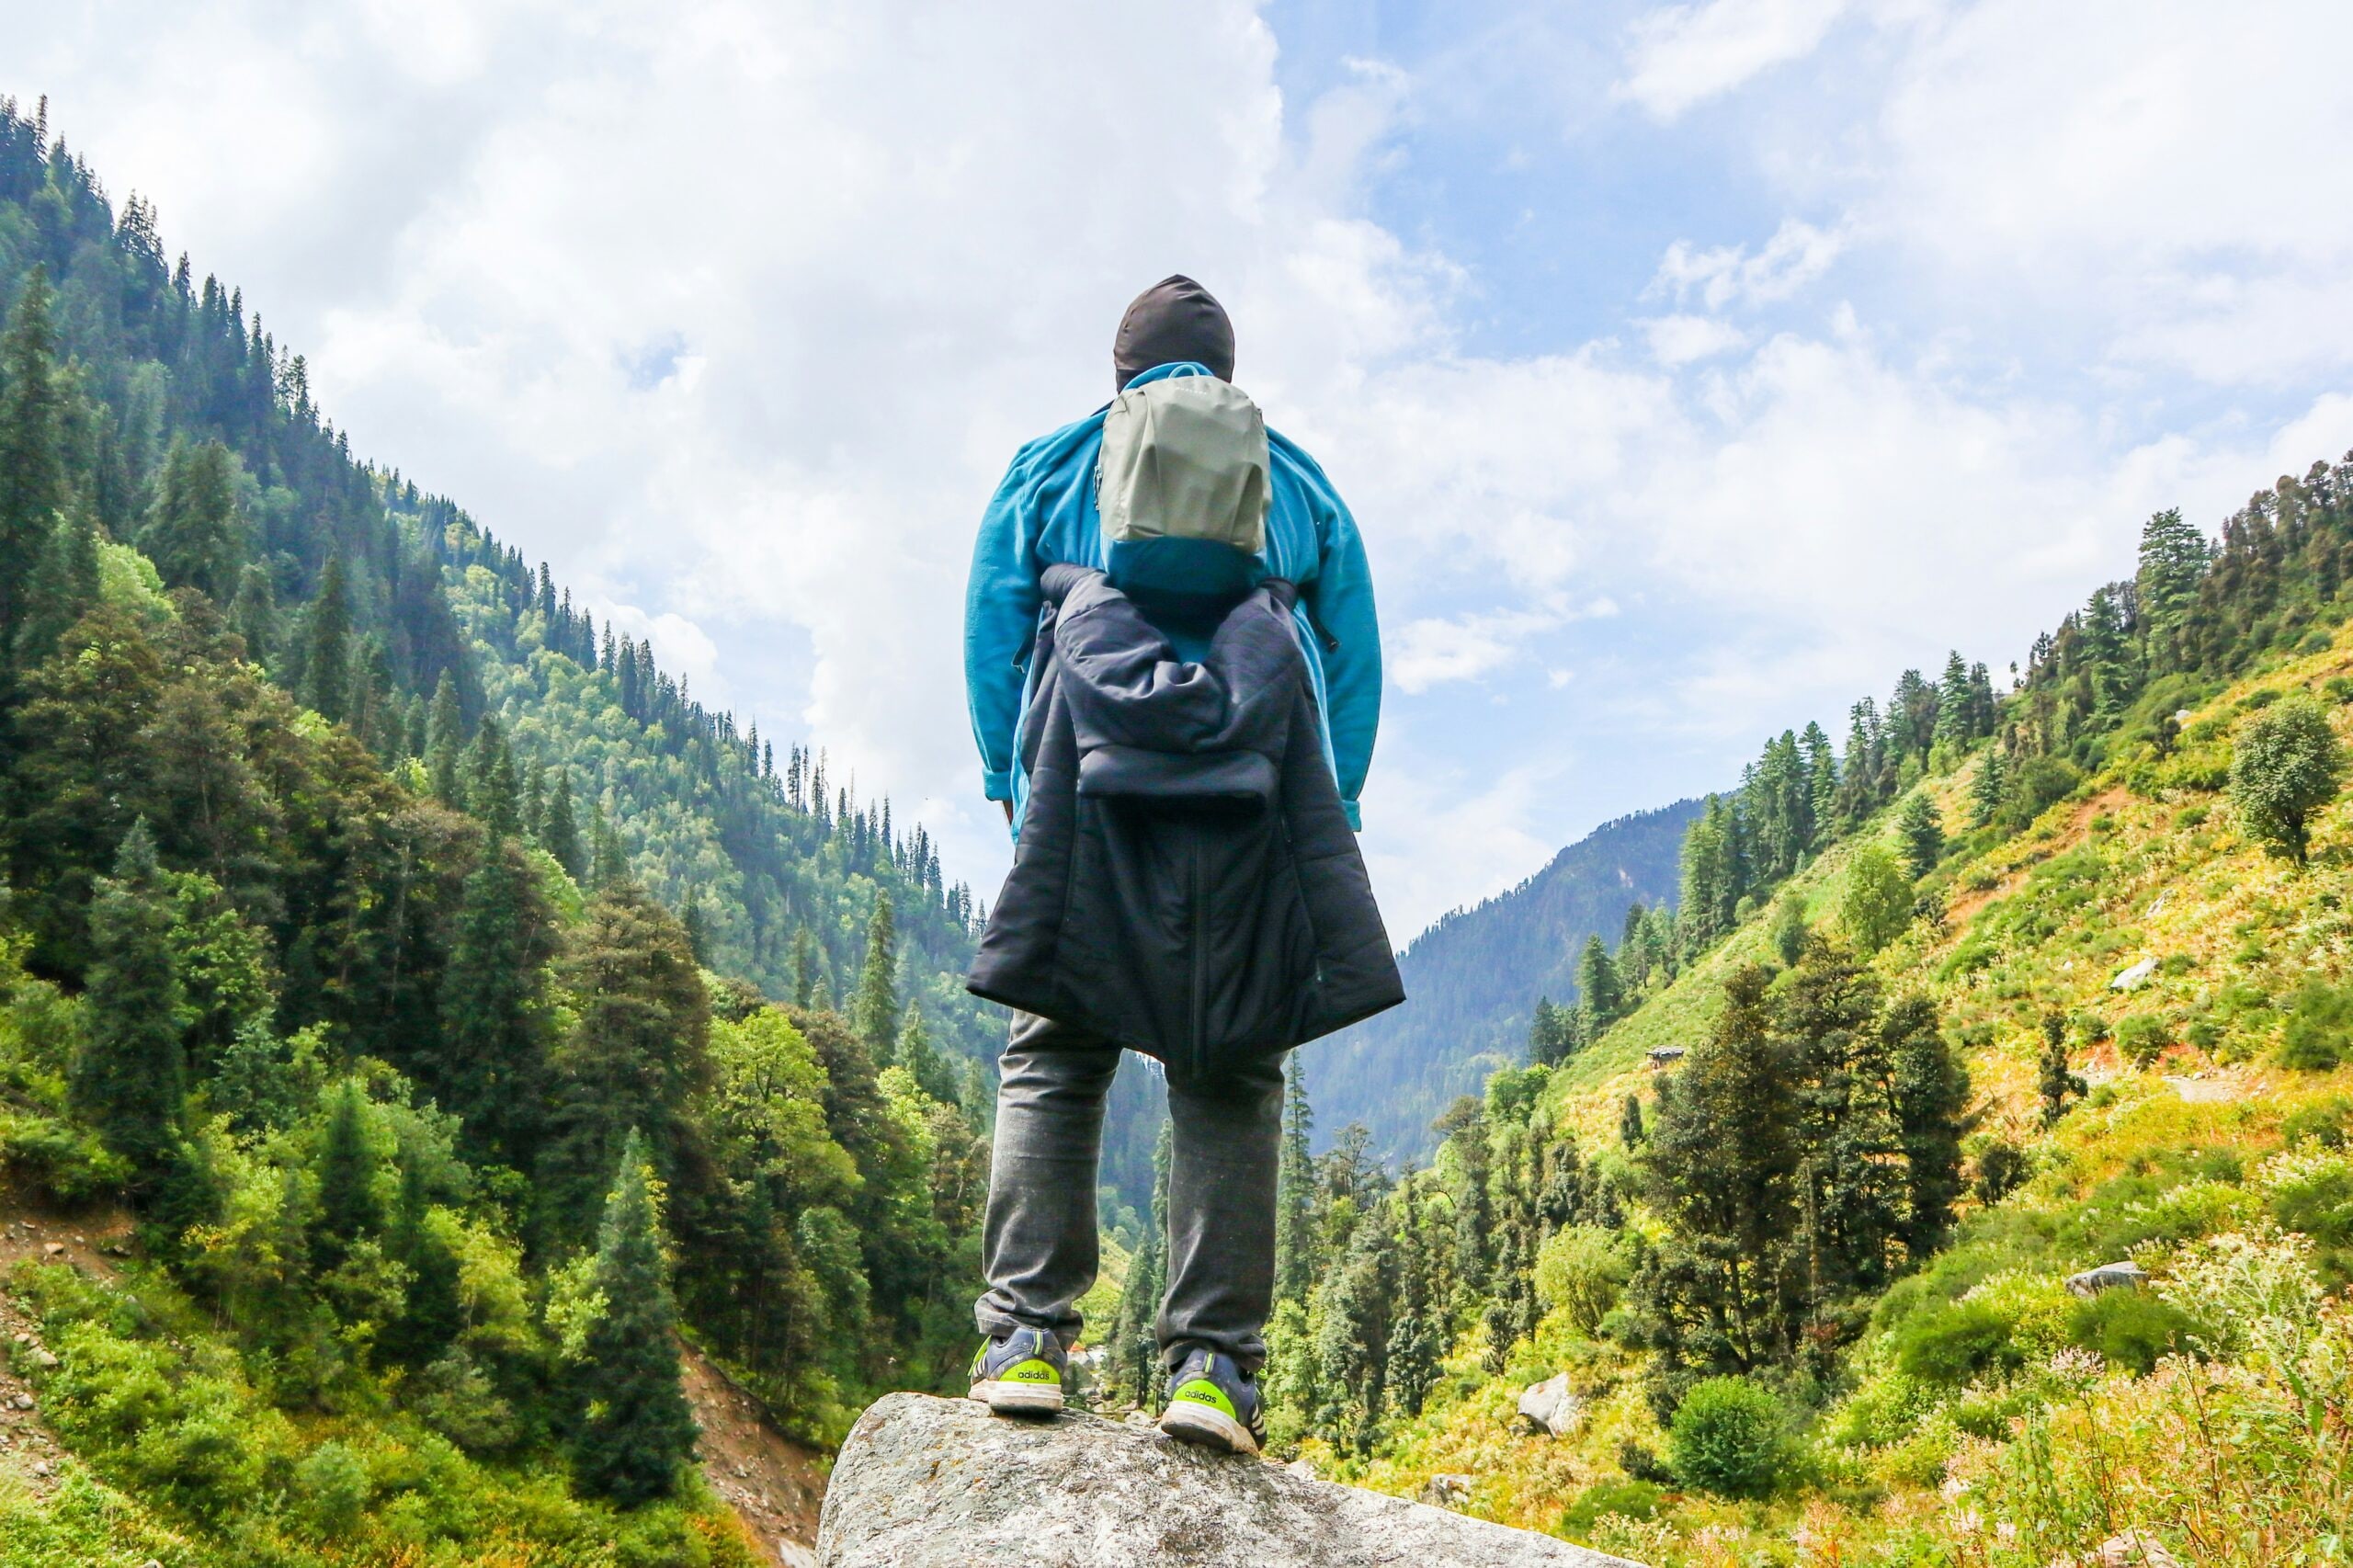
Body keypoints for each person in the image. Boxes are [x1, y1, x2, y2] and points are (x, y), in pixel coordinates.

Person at [960, 276, 1384, 1453]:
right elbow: (1352, 650)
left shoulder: (1051, 467)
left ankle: (1026, 1340)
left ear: (1122, 372)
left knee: (1055, 1046)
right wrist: (1331, 801)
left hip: (1086, 776)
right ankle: (1210, 1369)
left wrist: (1010, 779)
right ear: (1226, 375)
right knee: (1233, 1061)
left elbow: (994, 623)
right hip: (1254, 781)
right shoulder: (1292, 477)